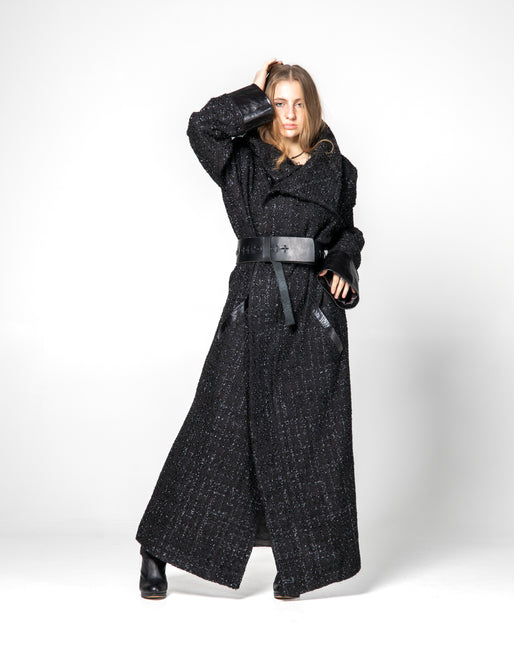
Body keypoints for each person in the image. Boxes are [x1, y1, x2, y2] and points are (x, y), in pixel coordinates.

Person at [135, 58, 365, 601]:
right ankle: (157, 549)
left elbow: (348, 233)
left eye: (298, 103)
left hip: (311, 314)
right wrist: (255, 93)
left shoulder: (338, 169)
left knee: (309, 441)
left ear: (311, 108)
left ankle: (298, 565)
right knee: (216, 428)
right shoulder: (243, 159)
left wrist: (343, 264)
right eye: (279, 103)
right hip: (254, 302)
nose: (290, 114)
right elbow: (201, 127)